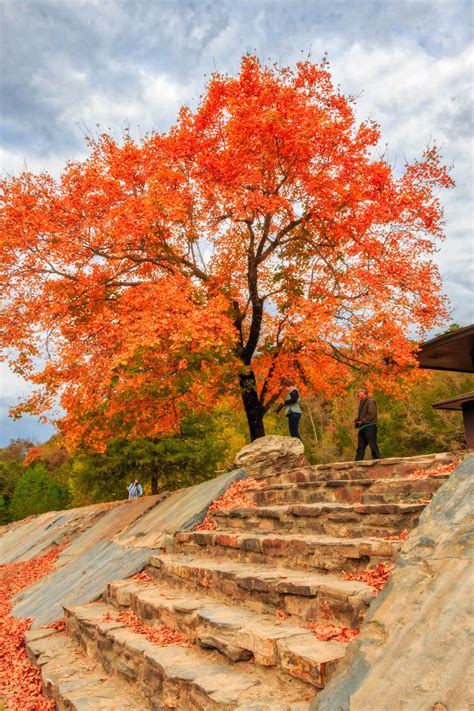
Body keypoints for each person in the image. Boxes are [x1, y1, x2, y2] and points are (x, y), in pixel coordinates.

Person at [354, 386, 380, 461]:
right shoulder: (361, 403)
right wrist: (357, 421)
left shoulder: (370, 401)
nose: (358, 393)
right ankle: (357, 463)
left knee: (372, 445)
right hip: (362, 428)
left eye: (359, 392)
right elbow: (361, 416)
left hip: (370, 427)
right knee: (360, 447)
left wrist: (362, 421)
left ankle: (378, 461)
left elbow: (372, 414)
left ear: (364, 393)